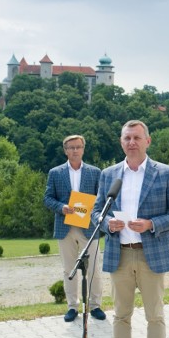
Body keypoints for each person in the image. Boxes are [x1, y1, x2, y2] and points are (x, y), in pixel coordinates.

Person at [92, 120, 169, 338]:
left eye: (137, 137)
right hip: (119, 255)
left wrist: (152, 224)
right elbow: (97, 212)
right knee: (121, 316)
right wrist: (107, 222)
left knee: (155, 317)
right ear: (121, 142)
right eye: (127, 138)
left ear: (148, 140)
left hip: (151, 256)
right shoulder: (109, 174)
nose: (131, 142)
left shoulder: (165, 173)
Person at [43, 135, 105, 322]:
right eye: (71, 147)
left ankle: (95, 306)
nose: (75, 150)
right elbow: (47, 198)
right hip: (65, 227)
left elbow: (101, 199)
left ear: (83, 149)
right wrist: (61, 207)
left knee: (94, 267)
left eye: (78, 147)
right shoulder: (55, 173)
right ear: (65, 150)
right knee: (69, 268)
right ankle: (72, 307)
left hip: (89, 227)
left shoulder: (95, 172)